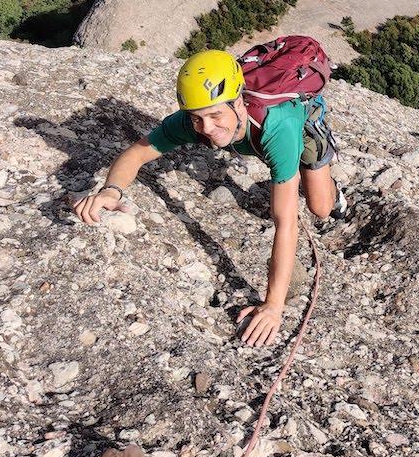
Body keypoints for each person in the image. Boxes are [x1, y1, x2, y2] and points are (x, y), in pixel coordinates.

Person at [73, 47, 346, 347]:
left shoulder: (277, 129)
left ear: (238, 102)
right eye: (197, 119)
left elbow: (286, 222)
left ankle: (331, 184)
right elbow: (137, 154)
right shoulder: (195, 121)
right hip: (261, 133)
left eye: (216, 115)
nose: (207, 129)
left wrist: (273, 306)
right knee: (282, 177)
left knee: (321, 208)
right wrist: (110, 191)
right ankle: (290, 173)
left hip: (299, 124)